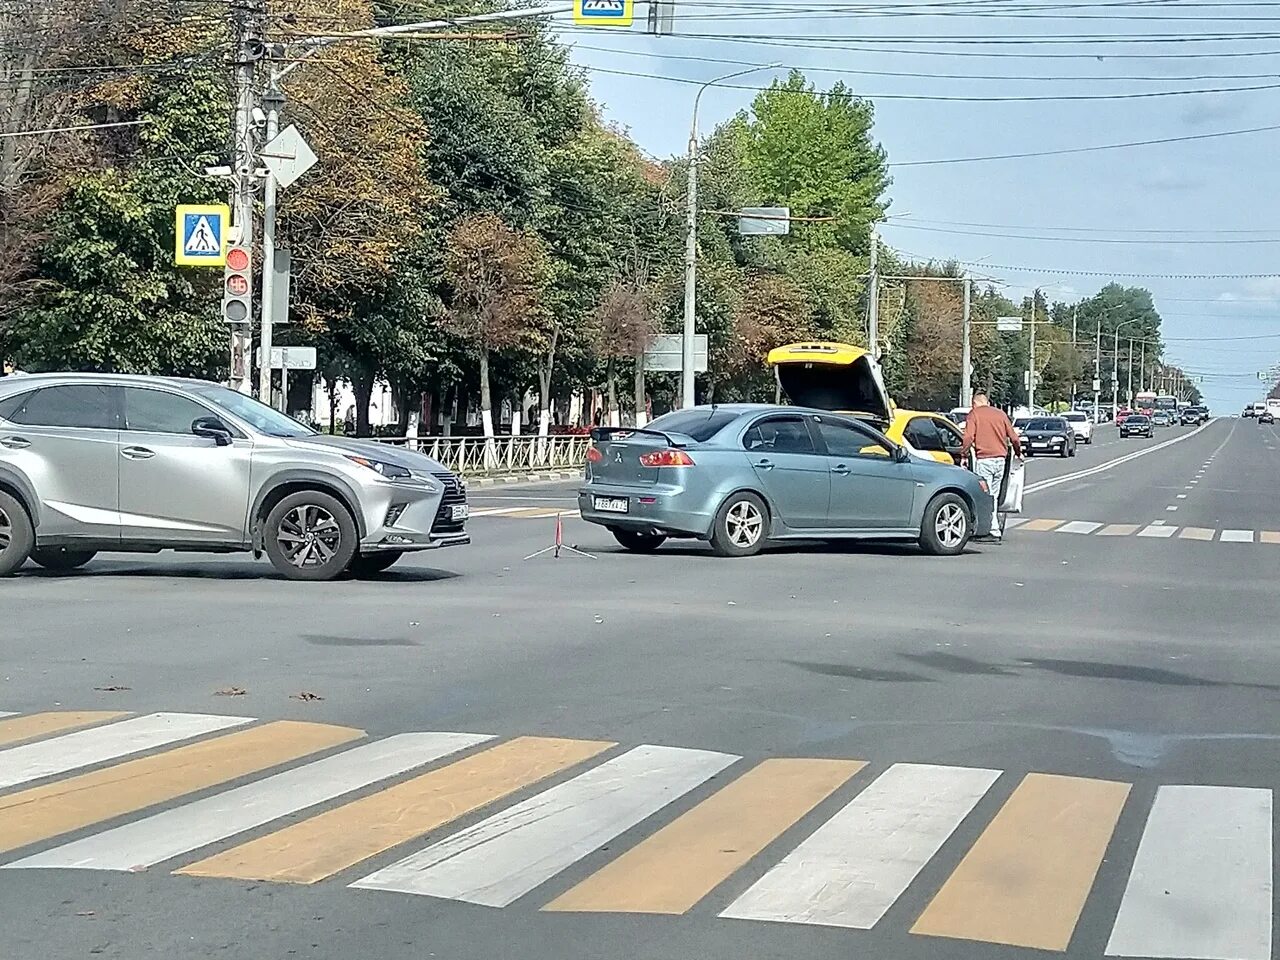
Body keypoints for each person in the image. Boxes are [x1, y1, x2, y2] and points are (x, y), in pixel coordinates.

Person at [960, 393, 1022, 542]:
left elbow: (968, 437)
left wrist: (963, 454)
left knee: (985, 497)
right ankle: (993, 527)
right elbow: (1014, 437)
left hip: (984, 460)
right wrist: (1019, 453)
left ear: (974, 404)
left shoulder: (974, 414)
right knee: (994, 495)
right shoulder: (1000, 414)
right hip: (1000, 460)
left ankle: (990, 530)